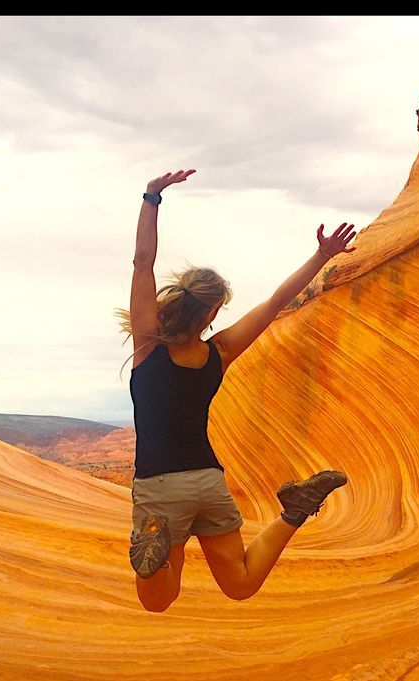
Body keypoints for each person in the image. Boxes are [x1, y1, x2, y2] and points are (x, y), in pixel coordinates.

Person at [118, 168, 356, 612]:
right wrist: (320, 256)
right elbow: (274, 303)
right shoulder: (219, 352)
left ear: (176, 301)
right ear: (210, 316)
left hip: (159, 487)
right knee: (241, 582)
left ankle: (153, 559)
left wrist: (152, 198)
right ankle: (293, 511)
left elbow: (142, 263)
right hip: (208, 481)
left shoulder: (148, 345)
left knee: (159, 598)